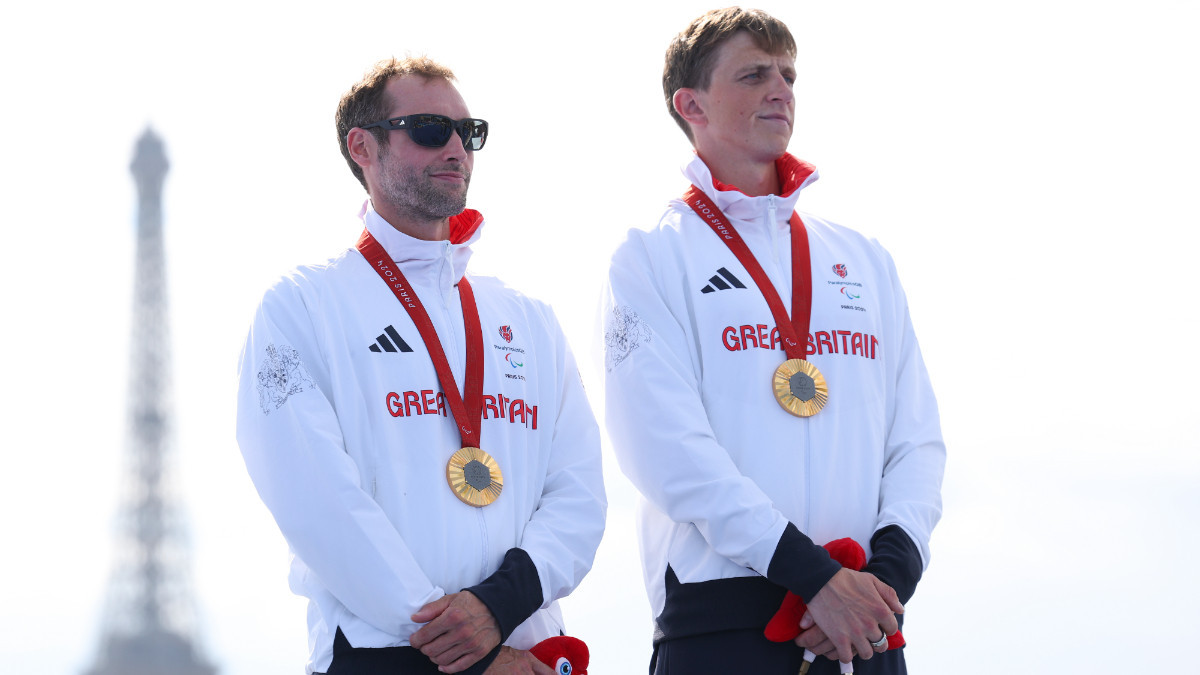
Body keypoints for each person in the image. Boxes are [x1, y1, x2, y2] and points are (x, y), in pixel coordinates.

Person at [602, 8, 945, 674]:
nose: (781, 89)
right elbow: (669, 454)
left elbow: (918, 441)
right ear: (691, 104)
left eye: (788, 74)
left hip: (868, 624)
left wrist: (887, 578)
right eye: (754, 74)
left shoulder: (865, 259)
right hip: (724, 624)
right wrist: (813, 578)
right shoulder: (648, 257)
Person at [236, 56, 606, 675]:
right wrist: (472, 647)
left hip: (528, 654)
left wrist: (500, 605)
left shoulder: (530, 318)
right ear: (363, 147)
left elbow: (580, 494)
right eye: (431, 128)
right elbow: (318, 502)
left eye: (470, 131)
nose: (457, 146)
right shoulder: (302, 306)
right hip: (386, 657)